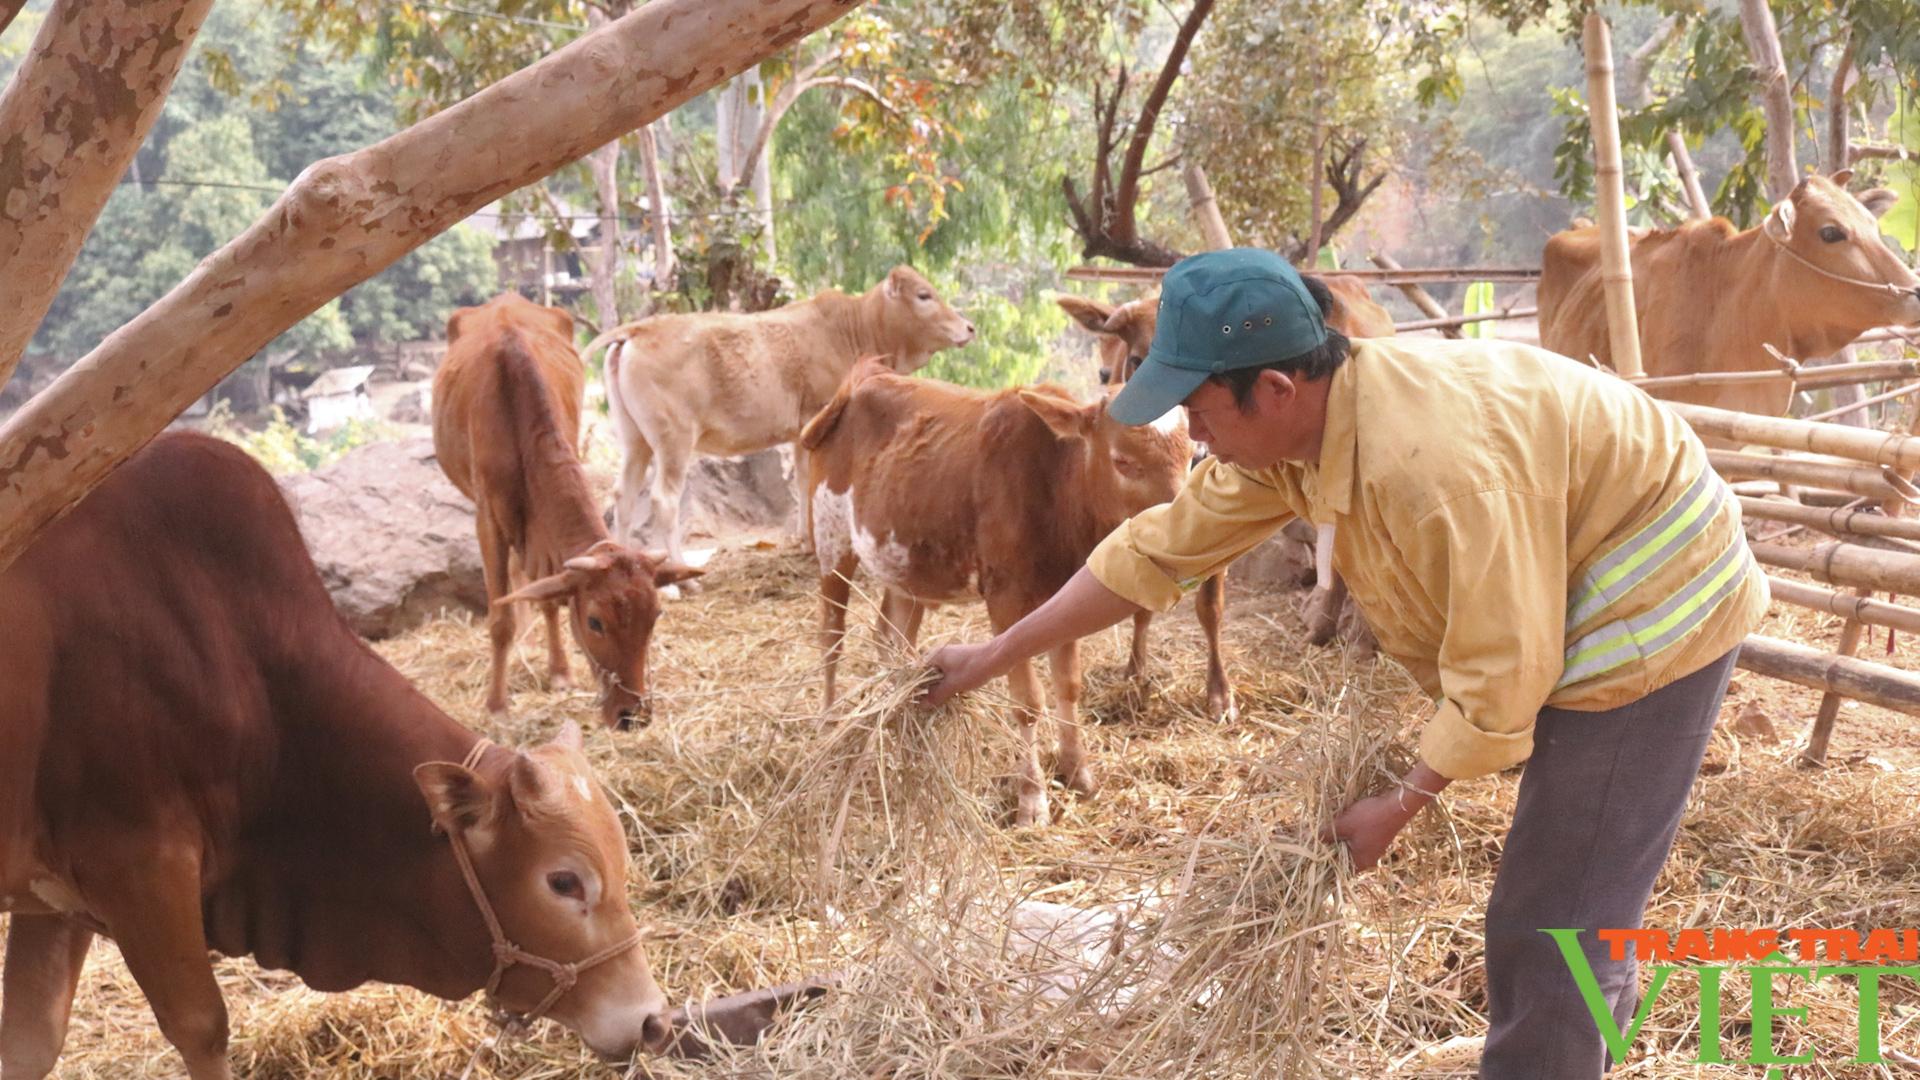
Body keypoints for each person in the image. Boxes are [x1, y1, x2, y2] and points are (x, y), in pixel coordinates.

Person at [922, 248, 1767, 1077]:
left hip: (1654, 599)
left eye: (1201, 409)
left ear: (1277, 389)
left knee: (1553, 919)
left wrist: (1401, 804)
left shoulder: (1430, 469)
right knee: (1569, 899)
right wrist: (990, 657)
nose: (1194, 433)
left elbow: (1504, 664)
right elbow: (1156, 552)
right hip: (1563, 567)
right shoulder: (1302, 430)